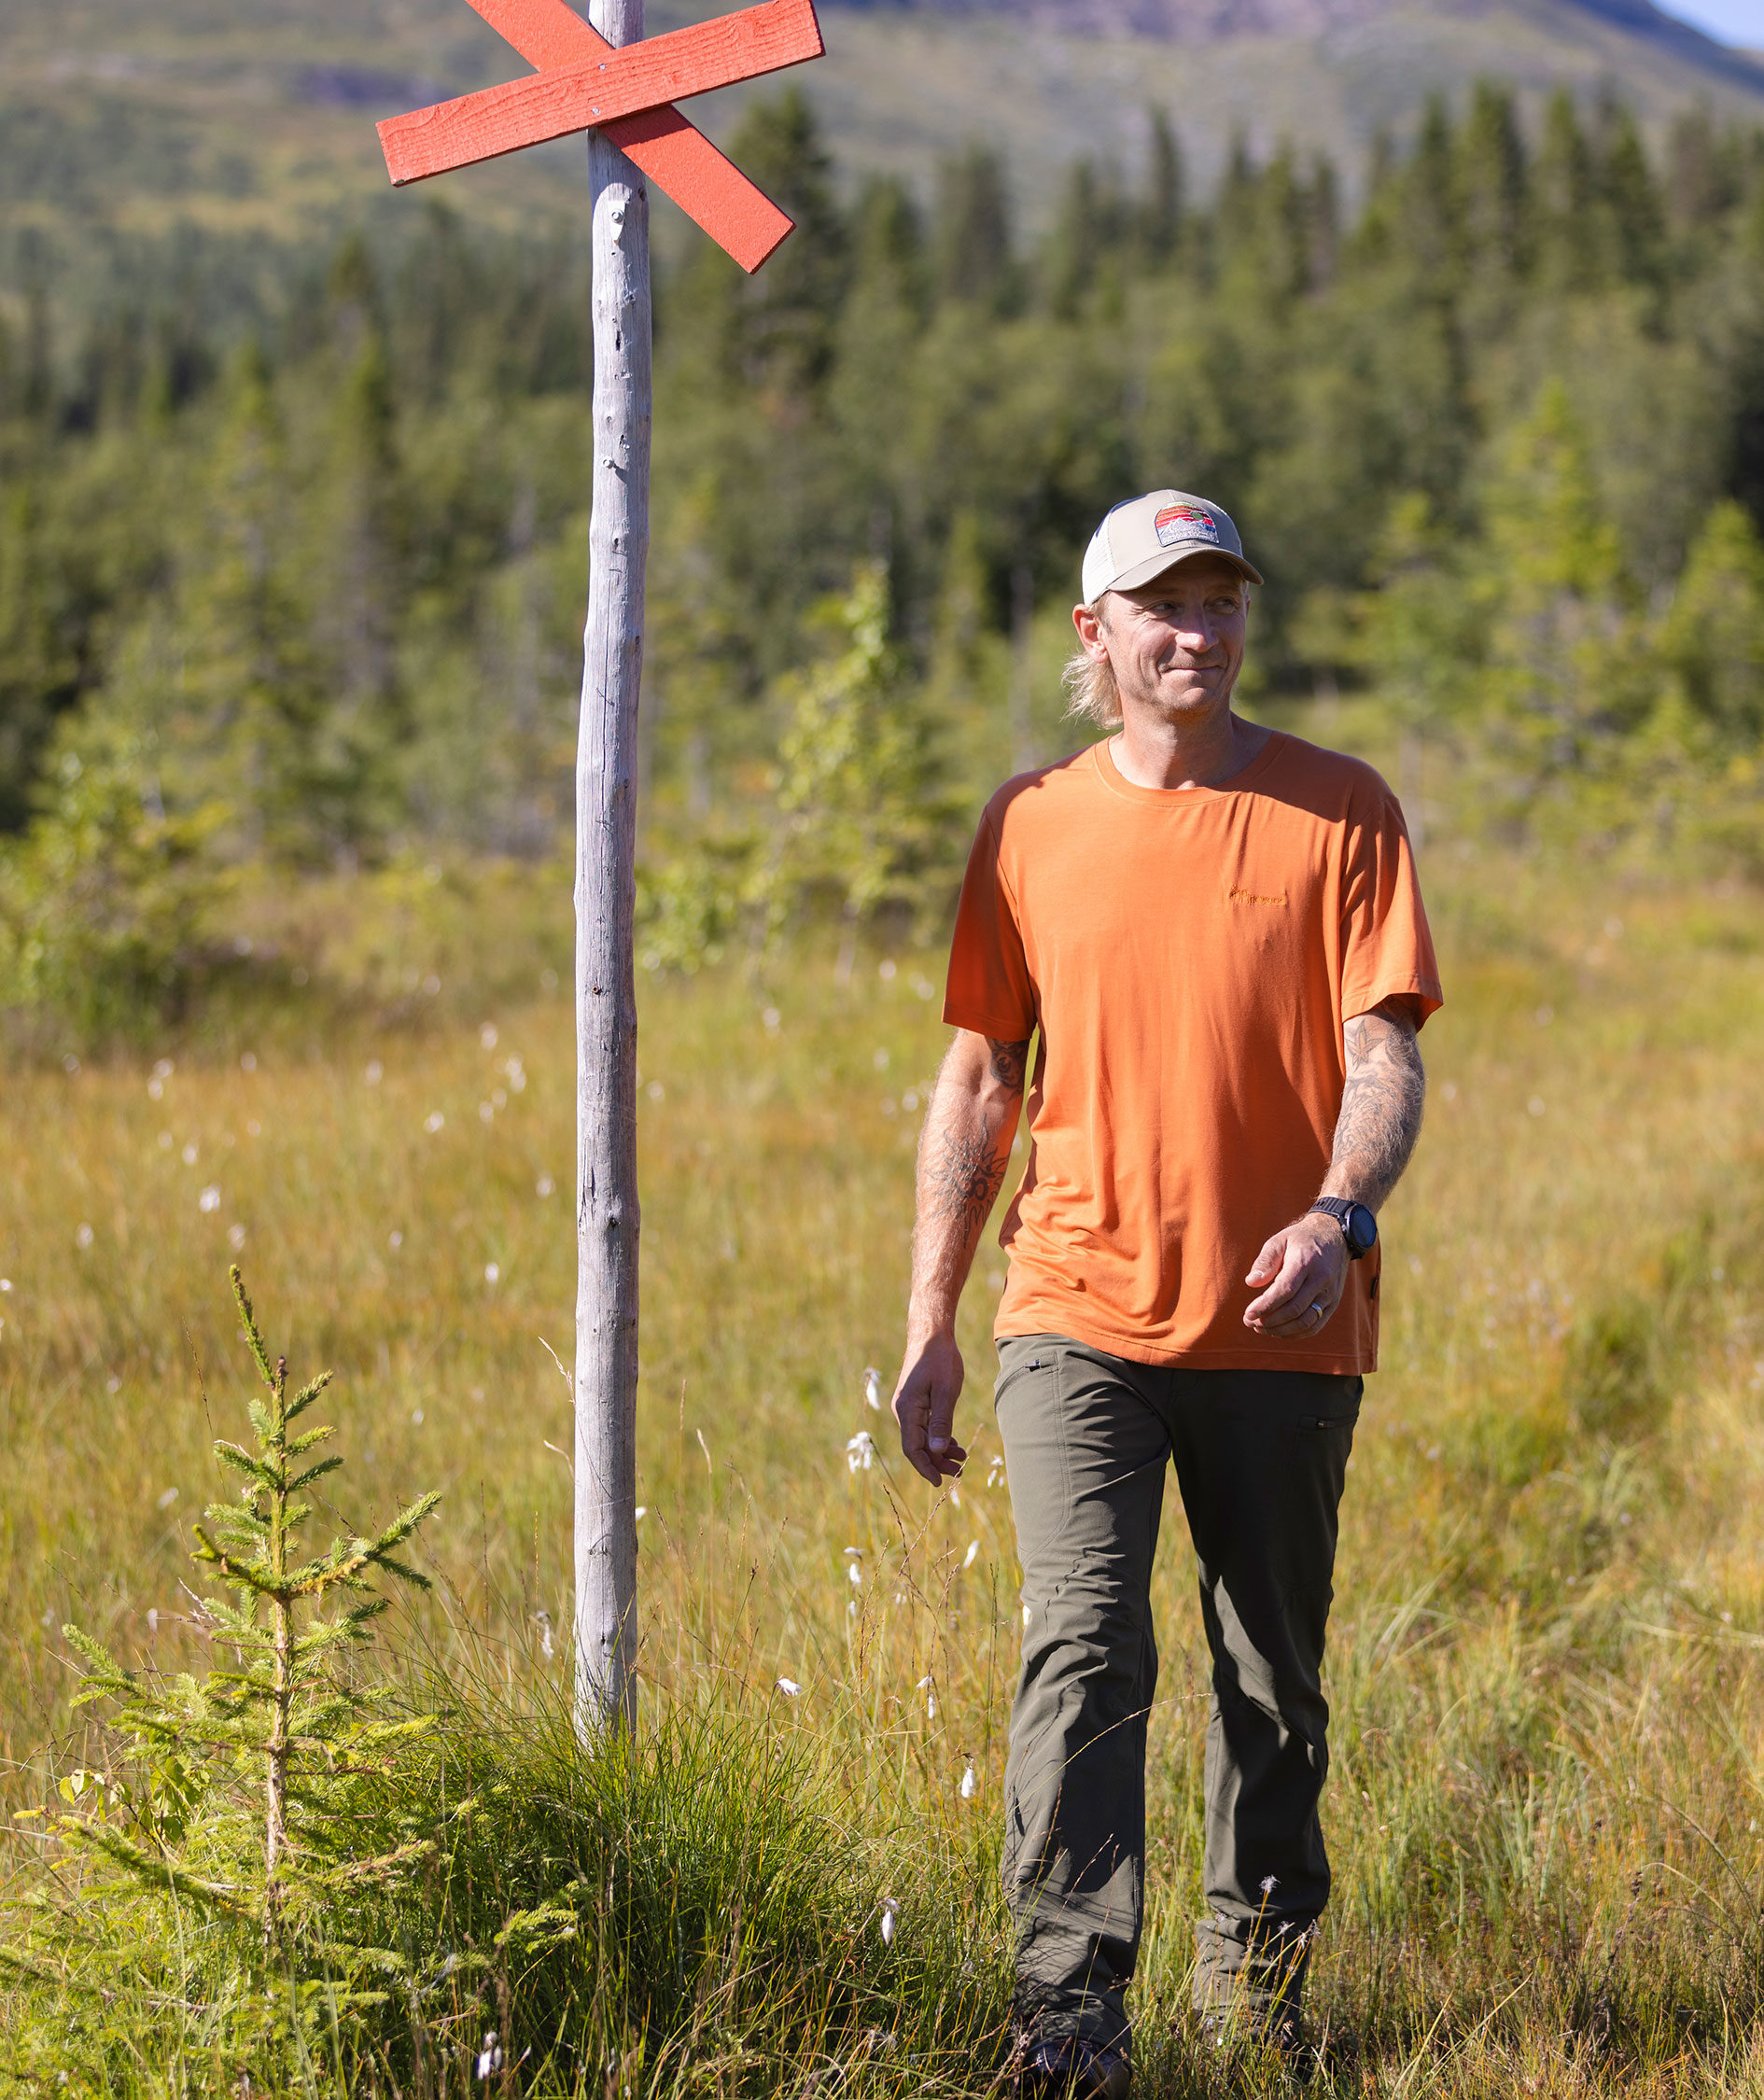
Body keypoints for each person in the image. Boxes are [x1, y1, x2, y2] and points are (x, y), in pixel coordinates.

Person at [889, 490, 1441, 2096]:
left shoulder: (1341, 809)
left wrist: (1337, 1216)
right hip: (1073, 1306)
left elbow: (1382, 1050)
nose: (1195, 629)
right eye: (1161, 604)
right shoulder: (1029, 824)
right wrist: (928, 1315)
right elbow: (982, 1075)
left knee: (1270, 1669)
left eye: (1219, 601)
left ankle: (1254, 1995)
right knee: (1082, 1643)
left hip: (1287, 1315)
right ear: (1096, 633)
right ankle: (1066, 2015)